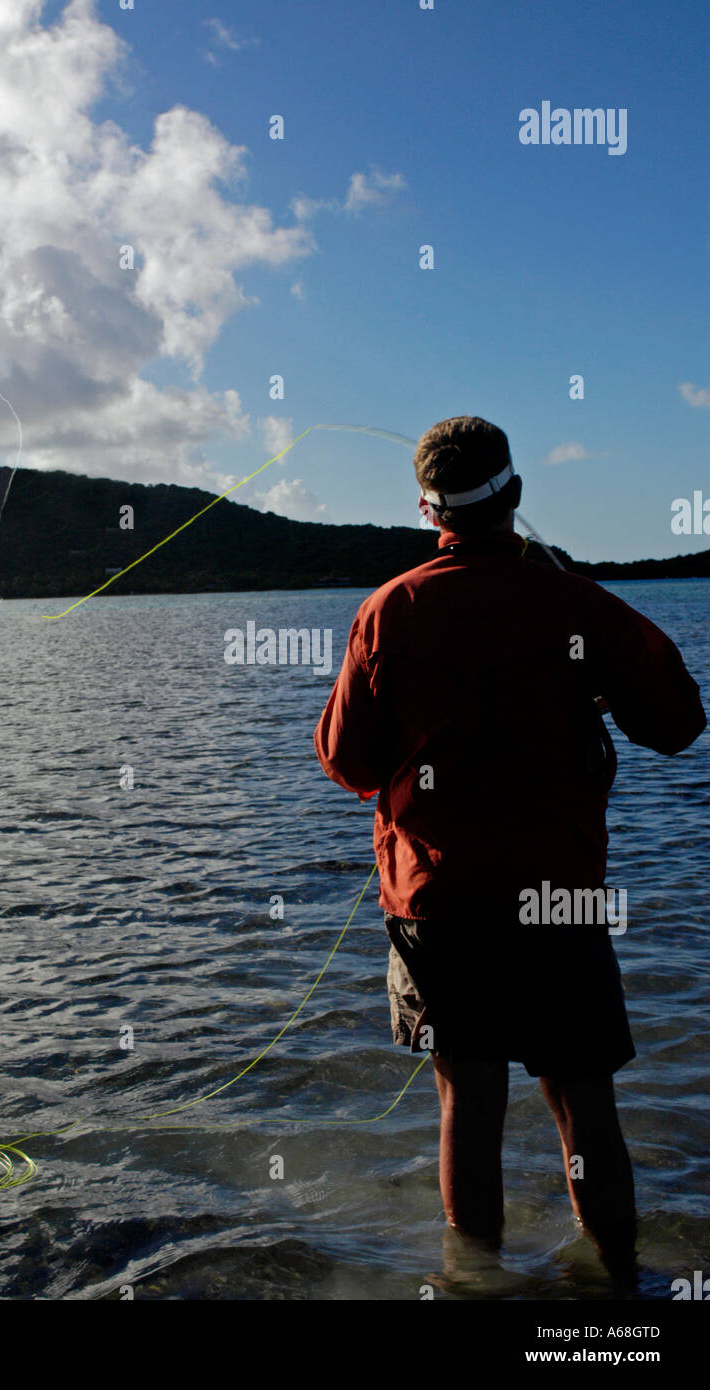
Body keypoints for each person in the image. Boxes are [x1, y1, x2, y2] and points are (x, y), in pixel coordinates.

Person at [313, 415, 706, 1282]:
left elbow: (345, 760)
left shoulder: (390, 610)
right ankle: (620, 1290)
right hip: (557, 899)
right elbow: (679, 723)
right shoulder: (576, 604)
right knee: (584, 1101)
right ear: (517, 496)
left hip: (439, 903)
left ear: (428, 511)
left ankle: (475, 1285)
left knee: (469, 1100)